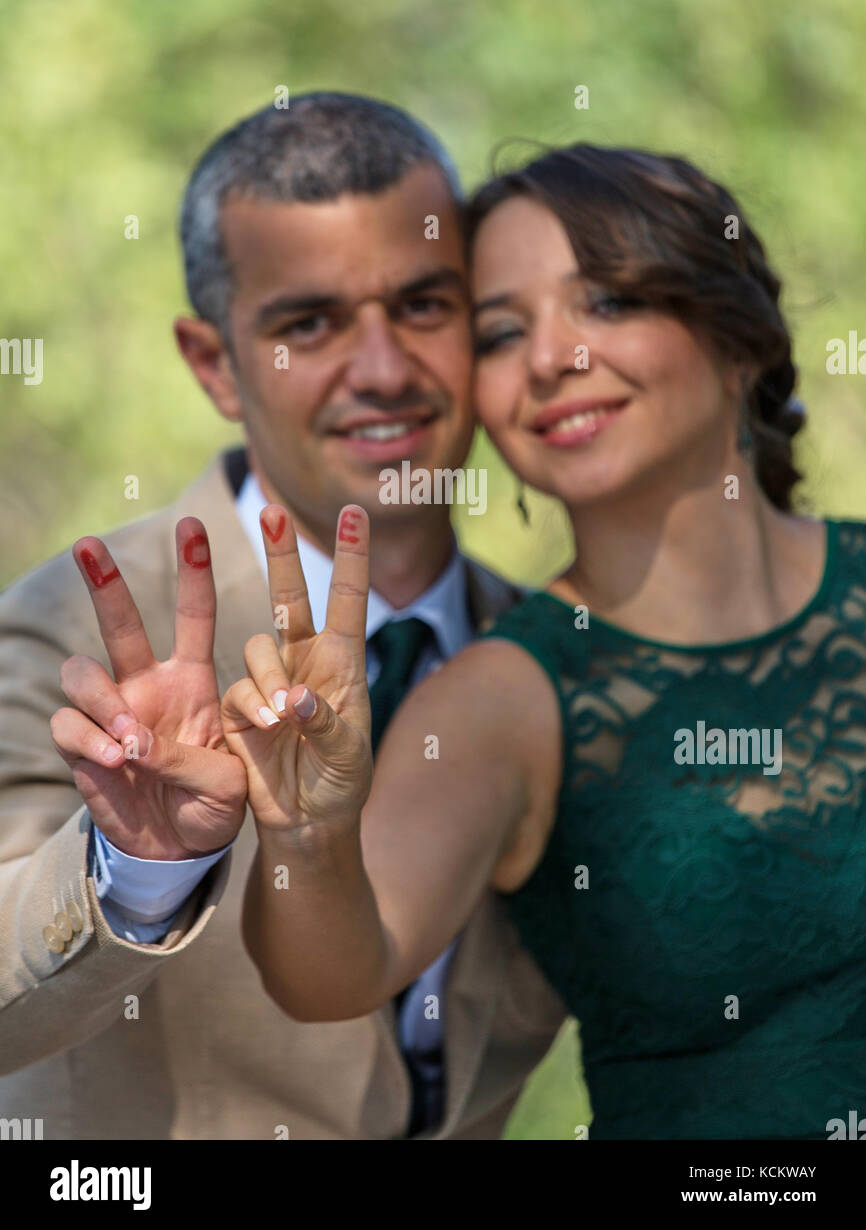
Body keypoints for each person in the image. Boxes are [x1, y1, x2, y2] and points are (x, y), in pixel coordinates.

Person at [207, 143, 866, 1140]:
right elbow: (333, 971)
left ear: (738, 340)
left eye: (604, 302)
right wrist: (305, 835)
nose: (551, 358)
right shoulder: (503, 695)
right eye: (503, 332)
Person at [0, 94, 566, 1141]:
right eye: (308, 323)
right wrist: (140, 867)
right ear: (213, 363)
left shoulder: (549, 654)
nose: (385, 369)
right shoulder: (71, 630)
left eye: (423, 305)